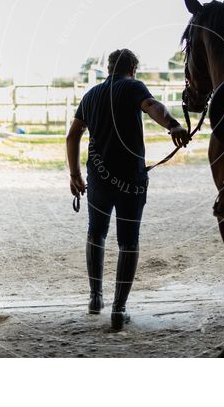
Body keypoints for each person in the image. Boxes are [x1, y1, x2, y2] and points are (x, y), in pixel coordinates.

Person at [66, 49, 190, 330]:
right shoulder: (134, 87)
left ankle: (95, 298)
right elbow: (153, 106)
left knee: (96, 232)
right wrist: (173, 125)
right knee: (128, 240)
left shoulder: (91, 95)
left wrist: (74, 174)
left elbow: (73, 134)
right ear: (133, 68)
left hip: (97, 178)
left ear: (109, 68)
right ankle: (119, 310)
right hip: (130, 180)